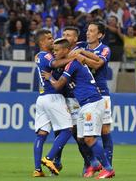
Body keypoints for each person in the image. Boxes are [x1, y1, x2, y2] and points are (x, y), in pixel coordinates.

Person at [42, 38, 115, 179]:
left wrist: (50, 77)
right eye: (53, 50)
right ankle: (94, 164)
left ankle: (108, 168)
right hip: (84, 104)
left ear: (66, 50)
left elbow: (58, 85)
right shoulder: (72, 62)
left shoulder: (73, 64)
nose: (54, 53)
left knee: (88, 138)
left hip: (92, 102)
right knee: (81, 138)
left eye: (57, 50)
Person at [53, 26, 102, 176]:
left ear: (75, 39)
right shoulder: (58, 51)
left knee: (77, 133)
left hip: (76, 98)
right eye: (63, 34)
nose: (65, 36)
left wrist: (80, 55)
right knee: (58, 129)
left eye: (68, 35)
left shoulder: (79, 51)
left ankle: (89, 162)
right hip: (60, 97)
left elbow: (96, 62)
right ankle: (57, 160)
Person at [72, 22, 114, 175]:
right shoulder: (80, 46)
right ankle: (89, 163)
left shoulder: (104, 49)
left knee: (104, 131)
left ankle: (107, 165)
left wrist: (81, 57)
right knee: (81, 133)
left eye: (92, 31)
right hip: (82, 94)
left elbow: (98, 65)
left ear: (100, 34)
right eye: (87, 30)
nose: (88, 33)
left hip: (101, 93)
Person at [32, 29, 74, 177]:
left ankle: (37, 170)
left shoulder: (38, 56)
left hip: (42, 98)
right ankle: (49, 158)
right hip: (53, 97)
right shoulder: (46, 55)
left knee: (41, 134)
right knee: (68, 129)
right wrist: (73, 58)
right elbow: (55, 63)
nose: (52, 40)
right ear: (41, 42)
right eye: (49, 38)